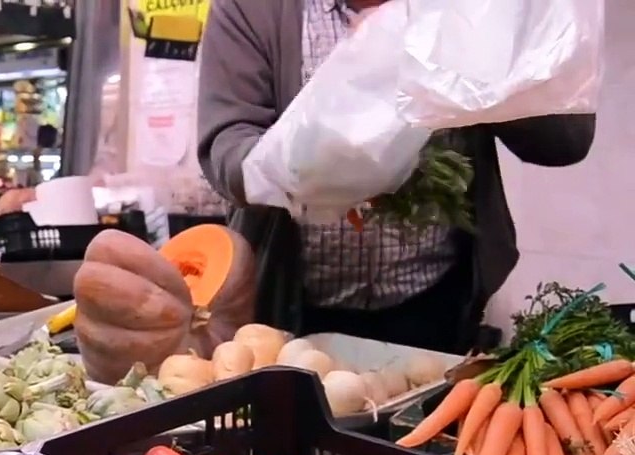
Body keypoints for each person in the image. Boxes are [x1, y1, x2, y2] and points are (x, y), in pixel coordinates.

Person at [195, 0, 596, 353]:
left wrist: (484, 70)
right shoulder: (250, 8)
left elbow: (566, 142)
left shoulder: (468, 8)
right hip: (290, 312)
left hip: (438, 304)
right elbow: (224, 147)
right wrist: (302, 166)